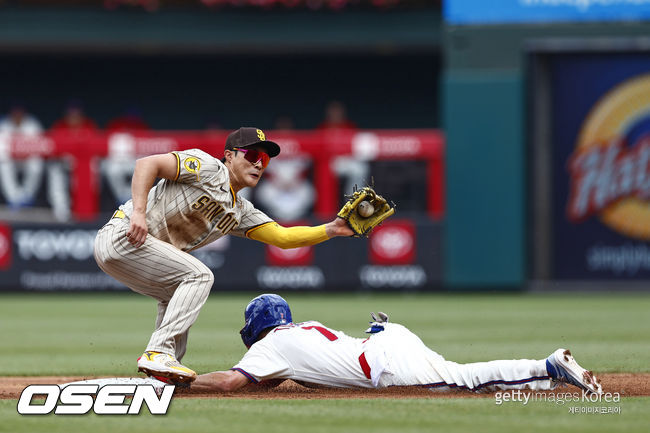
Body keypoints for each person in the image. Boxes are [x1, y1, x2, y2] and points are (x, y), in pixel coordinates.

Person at [93, 127, 355, 384]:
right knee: (199, 275)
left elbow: (282, 238)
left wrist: (331, 229)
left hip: (138, 249)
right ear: (229, 156)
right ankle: (158, 352)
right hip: (123, 234)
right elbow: (147, 163)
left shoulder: (240, 211)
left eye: (264, 160)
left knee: (176, 292)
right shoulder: (208, 167)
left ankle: (163, 372)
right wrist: (139, 211)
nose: (259, 164)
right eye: (252, 156)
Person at [189, 294, 603, 395]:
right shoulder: (297, 332)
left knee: (465, 381)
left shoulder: (268, 348)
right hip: (389, 338)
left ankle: (549, 366)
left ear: (256, 326)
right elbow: (272, 380)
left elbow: (229, 382)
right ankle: (549, 372)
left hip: (384, 364)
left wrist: (182, 382)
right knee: (459, 376)